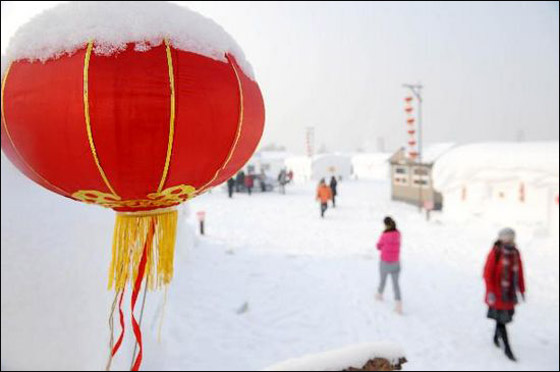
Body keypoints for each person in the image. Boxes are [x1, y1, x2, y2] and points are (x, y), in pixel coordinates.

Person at [483, 228, 526, 362]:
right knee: (502, 321)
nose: (510, 240)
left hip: (509, 294)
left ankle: (496, 337)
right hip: (497, 293)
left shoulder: (515, 253)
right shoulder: (495, 252)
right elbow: (487, 273)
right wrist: (490, 291)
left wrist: (522, 290)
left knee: (503, 319)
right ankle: (507, 348)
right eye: (507, 238)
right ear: (502, 239)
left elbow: (519, 273)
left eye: (512, 238)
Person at [375, 216, 402, 314]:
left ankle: (380, 294)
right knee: (396, 284)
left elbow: (378, 246)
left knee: (383, 280)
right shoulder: (398, 234)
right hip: (396, 263)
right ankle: (398, 305)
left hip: (385, 262)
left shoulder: (384, 235)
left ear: (386, 225)